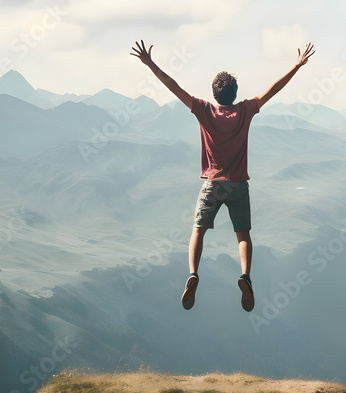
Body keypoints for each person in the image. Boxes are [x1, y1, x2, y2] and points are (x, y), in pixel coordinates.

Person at [130, 40, 315, 312]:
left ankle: (193, 274)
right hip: (238, 184)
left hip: (212, 184)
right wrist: (296, 66)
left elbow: (173, 87)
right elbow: (273, 90)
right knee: (243, 235)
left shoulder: (204, 110)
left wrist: (150, 64)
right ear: (235, 93)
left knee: (198, 231)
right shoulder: (245, 110)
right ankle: (245, 276)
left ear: (215, 94)